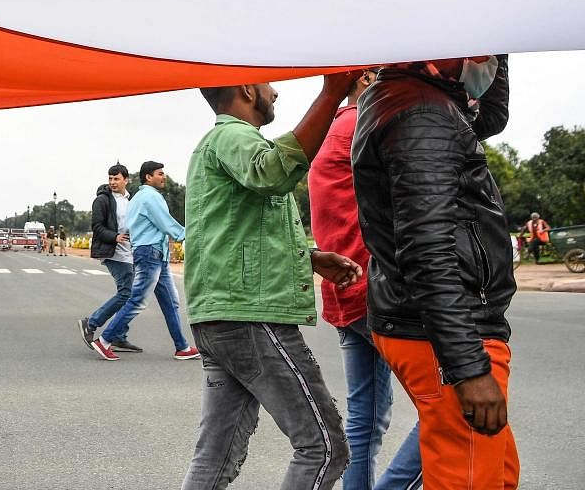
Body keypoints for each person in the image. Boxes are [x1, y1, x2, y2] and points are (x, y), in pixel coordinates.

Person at [180, 76, 362, 490]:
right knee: (324, 448)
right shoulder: (233, 136)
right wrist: (331, 94)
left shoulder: (222, 145)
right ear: (246, 90)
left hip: (222, 319)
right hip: (249, 317)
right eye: (268, 86)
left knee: (216, 457)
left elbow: (239, 231)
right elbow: (271, 172)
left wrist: (312, 258)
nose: (275, 93)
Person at [352, 55, 518, 490]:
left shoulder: (423, 99)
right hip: (445, 330)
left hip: (435, 321)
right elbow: (428, 250)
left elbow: (492, 116)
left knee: (497, 475)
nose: (487, 61)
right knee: (469, 480)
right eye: (481, 51)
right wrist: (467, 368)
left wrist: (500, 49)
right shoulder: (422, 114)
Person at [309, 69, 422, 490]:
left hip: (347, 294)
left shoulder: (331, 129)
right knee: (447, 409)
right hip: (380, 289)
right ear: (366, 78)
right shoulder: (366, 124)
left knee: (366, 418)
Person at [91, 161, 200, 361]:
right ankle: (104, 340)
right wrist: (189, 235)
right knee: (137, 300)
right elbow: (166, 223)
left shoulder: (137, 198)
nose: (164, 176)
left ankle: (182, 348)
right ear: (148, 177)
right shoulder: (150, 197)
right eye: (160, 173)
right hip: (151, 253)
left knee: (171, 302)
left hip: (154, 253)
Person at [78, 164, 138, 352]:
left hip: (131, 252)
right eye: (110, 178)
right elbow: (97, 226)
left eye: (116, 178)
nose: (112, 182)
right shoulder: (103, 200)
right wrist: (115, 236)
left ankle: (119, 335)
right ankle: (91, 322)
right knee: (126, 293)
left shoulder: (132, 199)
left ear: (126, 180)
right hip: (114, 252)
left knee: (130, 295)